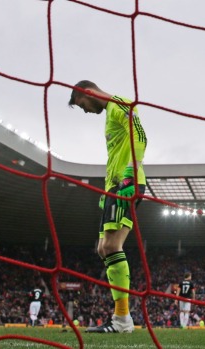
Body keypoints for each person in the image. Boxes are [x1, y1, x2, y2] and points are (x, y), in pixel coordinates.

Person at [69, 80, 147, 333]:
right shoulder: (109, 116)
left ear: (87, 93)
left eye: (82, 105)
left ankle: (122, 322)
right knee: (104, 248)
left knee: (112, 245)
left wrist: (130, 173)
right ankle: (120, 319)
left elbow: (140, 136)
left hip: (127, 183)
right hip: (113, 187)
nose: (85, 111)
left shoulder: (119, 105)